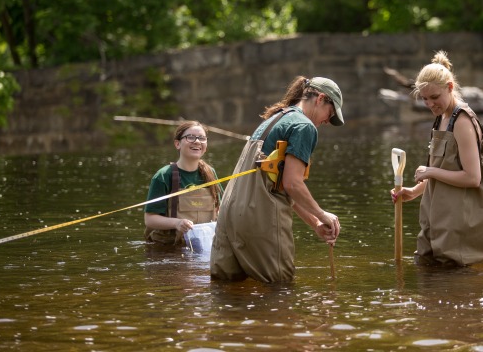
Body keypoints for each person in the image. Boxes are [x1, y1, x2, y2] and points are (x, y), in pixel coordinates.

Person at [210, 76, 344, 283]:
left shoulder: (273, 119)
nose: (327, 121)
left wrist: (315, 223)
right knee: (280, 291)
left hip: (229, 215)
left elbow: (281, 186)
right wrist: (321, 213)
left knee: (228, 293)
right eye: (331, 112)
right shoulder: (304, 127)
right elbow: (293, 183)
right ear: (320, 99)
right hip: (259, 216)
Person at [391, 51, 483, 266]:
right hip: (436, 214)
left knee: (453, 279)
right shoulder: (441, 118)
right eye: (425, 99)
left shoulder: (463, 121)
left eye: (435, 97)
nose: (430, 104)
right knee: (426, 271)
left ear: (450, 87)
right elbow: (443, 168)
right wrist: (414, 191)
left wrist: (430, 171)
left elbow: (472, 178)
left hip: (459, 220)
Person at [144, 120, 223, 246]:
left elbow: (220, 210)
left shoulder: (211, 173)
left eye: (202, 138)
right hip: (169, 249)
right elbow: (150, 219)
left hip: (204, 246)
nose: (197, 141)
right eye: (190, 137)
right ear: (177, 144)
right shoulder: (163, 176)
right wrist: (177, 223)